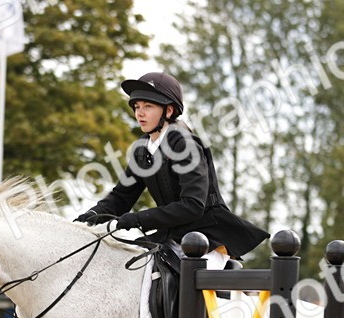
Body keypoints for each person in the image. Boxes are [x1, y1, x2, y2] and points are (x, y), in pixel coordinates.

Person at [74, 72, 268, 269]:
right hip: (168, 236)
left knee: (186, 286)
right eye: (137, 106)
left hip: (204, 239)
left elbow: (192, 205)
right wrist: (89, 217)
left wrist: (139, 219)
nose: (139, 113)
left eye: (148, 107)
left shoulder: (185, 144)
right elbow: (121, 197)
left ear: (168, 111)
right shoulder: (142, 148)